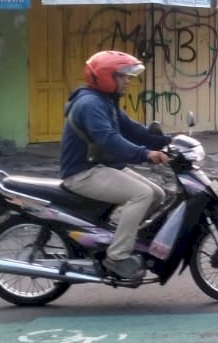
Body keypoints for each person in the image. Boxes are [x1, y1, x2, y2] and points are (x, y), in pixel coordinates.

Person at [61, 50, 172, 279]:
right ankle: (117, 257)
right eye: (122, 76)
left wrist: (170, 142)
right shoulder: (90, 104)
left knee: (157, 194)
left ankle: (119, 237)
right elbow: (110, 140)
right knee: (142, 194)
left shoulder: (104, 101)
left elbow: (132, 130)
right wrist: (146, 154)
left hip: (101, 167)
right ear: (105, 76)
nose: (128, 80)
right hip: (83, 173)